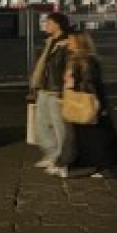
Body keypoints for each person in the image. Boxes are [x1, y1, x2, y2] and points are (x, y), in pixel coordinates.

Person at [60, 28, 117, 178]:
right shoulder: (78, 58)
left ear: (79, 41)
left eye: (71, 39)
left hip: (87, 102)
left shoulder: (85, 60)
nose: (68, 42)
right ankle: (94, 165)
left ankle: (101, 166)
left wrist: (89, 97)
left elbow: (89, 83)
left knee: (94, 136)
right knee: (88, 135)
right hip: (85, 101)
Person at [29, 12, 72, 173]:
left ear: (57, 25)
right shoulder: (50, 42)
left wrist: (64, 90)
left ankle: (61, 158)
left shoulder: (66, 43)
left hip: (56, 90)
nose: (45, 25)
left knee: (58, 126)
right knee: (41, 124)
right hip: (45, 88)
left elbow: (68, 68)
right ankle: (51, 153)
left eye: (48, 23)